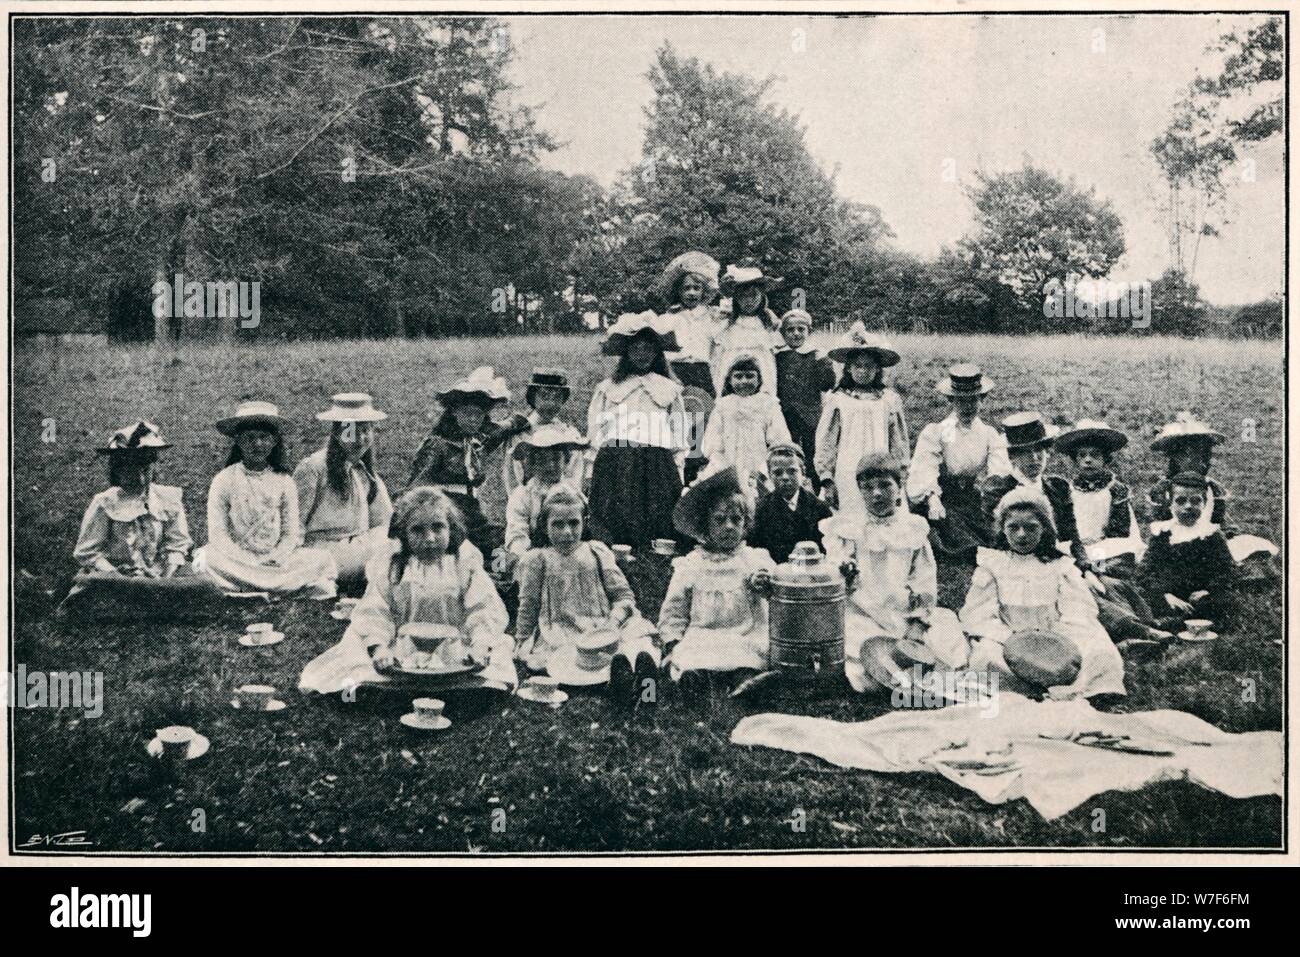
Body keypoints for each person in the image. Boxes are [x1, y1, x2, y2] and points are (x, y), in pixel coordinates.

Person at [299, 487, 516, 695]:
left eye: (438, 527)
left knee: (497, 653)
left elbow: (484, 608)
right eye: (418, 530)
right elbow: (376, 610)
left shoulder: (464, 563)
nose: (429, 538)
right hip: (400, 647)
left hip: (455, 647)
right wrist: (379, 647)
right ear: (404, 533)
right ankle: (381, 687)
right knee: (355, 650)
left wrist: (480, 645)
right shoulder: (393, 565)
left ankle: (474, 688)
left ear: (451, 528)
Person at [821, 452, 969, 694]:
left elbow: (923, 580)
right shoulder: (849, 529)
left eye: (885, 486)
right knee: (861, 649)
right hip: (863, 612)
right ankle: (893, 677)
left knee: (943, 634)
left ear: (899, 487)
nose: (876, 494)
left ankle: (915, 674)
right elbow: (835, 566)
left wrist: (918, 621)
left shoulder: (912, 529)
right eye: (868, 488)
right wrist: (843, 570)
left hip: (902, 613)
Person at [960, 486, 1125, 701]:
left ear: (1045, 529)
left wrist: (1057, 639)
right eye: (1013, 527)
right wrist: (1011, 639)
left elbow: (1078, 609)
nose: (1021, 535)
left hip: (1059, 635)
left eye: (1031, 528)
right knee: (986, 660)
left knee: (1101, 654)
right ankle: (1025, 690)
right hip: (1010, 637)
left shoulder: (1060, 565)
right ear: (1002, 529)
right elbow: (979, 614)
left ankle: (1087, 689)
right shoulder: (993, 565)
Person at [514, 486, 660, 706]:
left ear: (584, 522)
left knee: (637, 642)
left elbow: (623, 595)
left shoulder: (596, 552)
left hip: (605, 629)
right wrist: (523, 641)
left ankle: (637, 679)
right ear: (544, 527)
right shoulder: (538, 560)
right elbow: (529, 605)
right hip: (561, 634)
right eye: (558, 524)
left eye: (574, 523)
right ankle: (616, 683)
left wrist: (613, 623)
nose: (567, 532)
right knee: (560, 661)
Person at [61, 421, 221, 616]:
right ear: (117, 470)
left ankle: (149, 599)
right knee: (94, 582)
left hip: (159, 573)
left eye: (145, 469)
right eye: (130, 470)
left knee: (204, 583)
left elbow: (177, 544)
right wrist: (115, 573)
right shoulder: (105, 502)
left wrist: (166, 578)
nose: (139, 478)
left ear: (153, 468)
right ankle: (151, 602)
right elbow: (88, 552)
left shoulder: (167, 499)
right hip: (118, 576)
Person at [193, 401, 337, 598]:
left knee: (322, 559)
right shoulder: (223, 479)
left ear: (275, 441)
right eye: (250, 438)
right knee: (208, 560)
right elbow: (218, 534)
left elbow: (290, 532)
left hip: (275, 560)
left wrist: (275, 557)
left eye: (264, 438)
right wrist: (245, 559)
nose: (257, 444)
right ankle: (278, 586)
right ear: (238, 441)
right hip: (237, 558)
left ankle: (247, 588)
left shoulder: (285, 481)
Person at [1055, 419, 1173, 650]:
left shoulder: (1114, 490)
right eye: (1082, 456)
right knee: (1089, 584)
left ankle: (1136, 627)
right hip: (1078, 551)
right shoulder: (1067, 492)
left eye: (1094, 455)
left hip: (1110, 549)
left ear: (1106, 459)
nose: (1088, 460)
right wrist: (1082, 559)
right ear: (1075, 460)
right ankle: (1137, 629)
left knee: (1105, 581)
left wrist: (1094, 561)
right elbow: (1066, 532)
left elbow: (1120, 534)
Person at [658, 467, 776, 694]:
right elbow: (674, 611)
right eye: (720, 520)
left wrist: (766, 587)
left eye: (736, 520)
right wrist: (672, 643)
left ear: (745, 524)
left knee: (748, 656)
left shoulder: (754, 559)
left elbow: (779, 598)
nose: (729, 526)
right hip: (704, 634)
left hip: (745, 633)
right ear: (706, 525)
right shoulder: (692, 564)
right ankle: (696, 680)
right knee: (693, 655)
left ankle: (746, 682)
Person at [585, 311, 688, 548]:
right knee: (615, 520)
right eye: (636, 348)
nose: (642, 354)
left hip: (656, 462)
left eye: (648, 349)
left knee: (657, 521)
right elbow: (596, 431)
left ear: (657, 352)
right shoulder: (608, 388)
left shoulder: (669, 389)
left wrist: (678, 473)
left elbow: (679, 435)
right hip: (616, 459)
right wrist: (590, 471)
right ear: (626, 352)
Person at [408, 367, 531, 562]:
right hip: (447, 508)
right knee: (460, 549)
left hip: (472, 508)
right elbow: (417, 484)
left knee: (496, 543)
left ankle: (499, 577)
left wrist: (522, 420)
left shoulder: (479, 439)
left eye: (479, 415)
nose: (473, 420)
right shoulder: (438, 444)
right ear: (455, 412)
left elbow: (505, 427)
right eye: (467, 414)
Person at [906, 364, 1010, 560]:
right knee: (945, 530)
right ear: (951, 401)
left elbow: (999, 472)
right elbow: (925, 467)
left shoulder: (988, 434)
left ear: (982, 400)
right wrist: (932, 498)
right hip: (942, 497)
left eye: (973, 400)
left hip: (970, 497)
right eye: (961, 401)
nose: (967, 407)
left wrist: (994, 497)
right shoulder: (938, 431)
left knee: (990, 534)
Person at [294, 393, 393, 590]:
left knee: (394, 542)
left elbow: (384, 521)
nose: (361, 439)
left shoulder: (364, 472)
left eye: (366, 430)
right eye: (352, 431)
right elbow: (294, 523)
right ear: (338, 433)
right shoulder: (314, 468)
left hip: (358, 546)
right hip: (323, 550)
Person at [814, 321, 909, 518]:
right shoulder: (838, 400)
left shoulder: (889, 400)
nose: (863, 372)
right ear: (848, 368)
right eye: (858, 366)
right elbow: (827, 441)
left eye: (869, 366)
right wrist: (827, 478)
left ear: (877, 369)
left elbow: (898, 441)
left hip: (882, 467)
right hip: (848, 468)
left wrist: (900, 475)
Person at [978, 411, 1086, 566]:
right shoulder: (997, 490)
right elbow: (997, 540)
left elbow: (1072, 535)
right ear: (1012, 457)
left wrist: (1085, 568)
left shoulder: (1058, 487)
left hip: (1063, 561)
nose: (1034, 458)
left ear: (1047, 452)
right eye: (1025, 453)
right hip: (1017, 564)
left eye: (1038, 450)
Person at [1137, 472, 1237, 629]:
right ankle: (1176, 622)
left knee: (1220, 601)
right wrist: (1165, 595)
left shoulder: (1211, 534)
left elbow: (1226, 569)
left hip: (1198, 595)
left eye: (1195, 501)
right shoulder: (1162, 532)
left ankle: (1173, 624)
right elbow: (1145, 571)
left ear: (1204, 503)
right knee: (1141, 595)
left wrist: (1208, 590)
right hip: (1169, 593)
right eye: (1181, 501)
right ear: (1171, 503)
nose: (1188, 506)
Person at [699, 351, 791, 503]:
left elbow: (779, 442)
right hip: (727, 466)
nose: (744, 381)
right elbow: (713, 443)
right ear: (729, 380)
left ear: (759, 379)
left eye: (749, 376)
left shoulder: (768, 405)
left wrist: (763, 471)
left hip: (759, 467)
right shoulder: (723, 406)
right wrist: (724, 469)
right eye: (738, 376)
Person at [501, 422, 588, 573]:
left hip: (568, 545)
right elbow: (517, 529)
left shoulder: (572, 491)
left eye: (556, 459)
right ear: (532, 465)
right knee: (503, 559)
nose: (550, 466)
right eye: (542, 461)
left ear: (565, 461)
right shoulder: (523, 495)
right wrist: (523, 555)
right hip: (534, 549)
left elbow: (584, 523)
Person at [774, 308, 836, 491]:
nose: (795, 334)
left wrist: (824, 364)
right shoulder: (778, 356)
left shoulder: (815, 355)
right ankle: (787, 491)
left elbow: (827, 384)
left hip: (810, 415)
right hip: (785, 415)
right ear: (783, 333)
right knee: (787, 452)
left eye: (801, 329)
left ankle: (818, 491)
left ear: (808, 331)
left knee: (813, 454)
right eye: (790, 330)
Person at [501, 368, 583, 500]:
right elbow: (513, 480)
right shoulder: (519, 435)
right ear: (533, 397)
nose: (551, 404)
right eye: (544, 396)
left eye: (557, 398)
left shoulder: (570, 435)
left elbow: (574, 479)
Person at [748, 443, 832, 564]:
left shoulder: (819, 508)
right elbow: (756, 549)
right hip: (776, 575)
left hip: (812, 575)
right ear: (770, 475)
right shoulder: (763, 508)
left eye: (792, 471)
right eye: (778, 473)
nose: (785, 477)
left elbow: (829, 550)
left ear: (803, 472)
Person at [1145, 412, 1231, 529]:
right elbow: (1158, 524)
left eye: (1203, 455)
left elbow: (1220, 522)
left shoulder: (1212, 489)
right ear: (1174, 457)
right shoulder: (1163, 489)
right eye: (1187, 454)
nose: (1198, 461)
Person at [710, 260, 782, 397]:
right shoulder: (727, 323)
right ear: (736, 299)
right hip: (733, 374)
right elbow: (718, 357)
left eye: (753, 295)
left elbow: (773, 355)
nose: (748, 301)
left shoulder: (768, 322)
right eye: (743, 296)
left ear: (761, 296)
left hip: (762, 374)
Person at [656, 250, 723, 395]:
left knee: (703, 408)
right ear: (678, 292)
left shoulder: (711, 316)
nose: (691, 293)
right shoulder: (669, 318)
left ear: (703, 291)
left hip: (703, 371)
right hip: (675, 369)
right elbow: (661, 352)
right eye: (686, 288)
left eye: (696, 288)